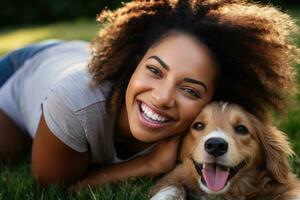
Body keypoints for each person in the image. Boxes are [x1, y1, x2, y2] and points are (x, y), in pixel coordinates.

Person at [0, 0, 298, 189]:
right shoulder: (75, 102)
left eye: (190, 89)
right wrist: (148, 165)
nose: (162, 97)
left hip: (74, 56)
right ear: (135, 62)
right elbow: (54, 187)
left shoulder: (200, 127)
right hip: (23, 68)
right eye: (155, 70)